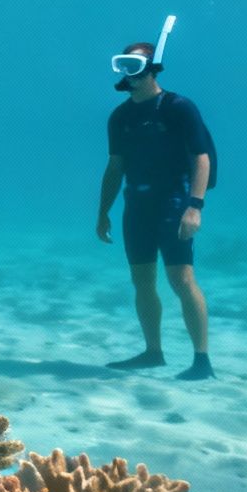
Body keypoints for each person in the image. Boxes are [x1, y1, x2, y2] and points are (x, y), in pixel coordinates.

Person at [96, 39, 215, 380]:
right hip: (136, 206)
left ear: (152, 68)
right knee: (142, 282)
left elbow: (201, 158)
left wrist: (195, 206)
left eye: (134, 67)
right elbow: (115, 167)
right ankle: (153, 353)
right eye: (123, 66)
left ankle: (202, 361)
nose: (127, 74)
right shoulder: (120, 117)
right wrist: (102, 211)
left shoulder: (179, 107)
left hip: (174, 202)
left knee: (181, 278)